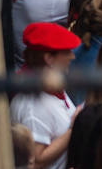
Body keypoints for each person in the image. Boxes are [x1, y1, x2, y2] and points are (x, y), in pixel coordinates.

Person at [11, 23, 80, 169]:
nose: (72, 56)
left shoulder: (49, 84)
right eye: (66, 51)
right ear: (49, 58)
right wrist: (73, 129)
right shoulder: (34, 107)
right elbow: (36, 160)